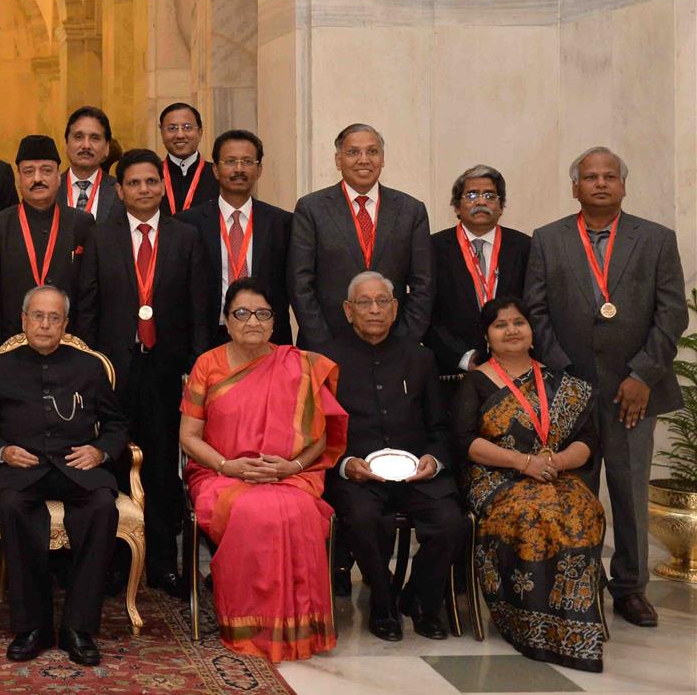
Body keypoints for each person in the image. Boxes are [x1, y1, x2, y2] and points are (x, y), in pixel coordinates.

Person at [523, 147, 686, 628]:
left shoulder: (656, 239)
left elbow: (672, 312)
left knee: (629, 490)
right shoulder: (548, 239)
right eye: (589, 177)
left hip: (634, 391)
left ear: (622, 185)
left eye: (609, 176)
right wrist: (564, 377)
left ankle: (630, 589)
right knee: (575, 491)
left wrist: (642, 375)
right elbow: (537, 312)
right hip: (570, 389)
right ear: (575, 187)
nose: (599, 184)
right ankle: (580, 582)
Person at [179, 277, 347, 661]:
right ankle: (251, 624)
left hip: (288, 473)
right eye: (241, 313)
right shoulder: (208, 364)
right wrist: (228, 464)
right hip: (220, 473)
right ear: (226, 319)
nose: (252, 321)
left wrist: (292, 465)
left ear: (275, 321)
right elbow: (189, 436)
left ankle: (300, 626)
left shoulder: (299, 365)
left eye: (262, 313)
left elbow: (320, 436)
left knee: (299, 510)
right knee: (254, 511)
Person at [0, 286, 129, 666]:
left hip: (78, 470)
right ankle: (32, 627)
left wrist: (101, 450)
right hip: (24, 472)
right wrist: (2, 451)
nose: (45, 324)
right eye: (38, 316)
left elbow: (117, 424)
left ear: (66, 324)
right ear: (23, 320)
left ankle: (78, 628)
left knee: (103, 507)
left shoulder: (89, 367)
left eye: (54, 318)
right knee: (13, 509)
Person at [75, 148, 212, 596]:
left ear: (161, 186)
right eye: (134, 183)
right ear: (120, 190)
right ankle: (113, 562)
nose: (144, 189)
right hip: (114, 372)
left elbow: (198, 309)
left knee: (160, 470)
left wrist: (195, 368)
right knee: (111, 465)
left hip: (168, 373)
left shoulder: (186, 236)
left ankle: (161, 562)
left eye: (152, 181)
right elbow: (88, 306)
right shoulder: (100, 236)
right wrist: (91, 369)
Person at [451, 296, 606, 671]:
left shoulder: (562, 383)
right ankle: (529, 623)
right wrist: (525, 463)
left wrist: (554, 462)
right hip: (495, 477)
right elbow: (465, 441)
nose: (511, 330)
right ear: (487, 336)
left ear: (532, 332)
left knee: (583, 510)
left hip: (554, 472)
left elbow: (587, 440)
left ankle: (577, 622)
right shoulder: (475, 382)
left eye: (518, 322)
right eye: (500, 325)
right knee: (533, 513)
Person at [317, 271, 464, 642]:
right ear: (348, 311)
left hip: (416, 473)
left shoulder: (420, 358)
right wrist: (346, 463)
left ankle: (419, 597)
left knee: (451, 521)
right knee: (364, 518)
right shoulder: (324, 360)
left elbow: (440, 426)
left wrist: (434, 459)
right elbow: (315, 429)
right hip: (356, 475)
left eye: (383, 302)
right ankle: (382, 605)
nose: (375, 310)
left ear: (395, 308)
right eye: (364, 303)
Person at [288, 123, 434, 349]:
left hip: (394, 346)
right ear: (338, 161)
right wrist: (323, 343)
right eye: (353, 152)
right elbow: (300, 283)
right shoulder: (311, 209)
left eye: (372, 152)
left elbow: (424, 285)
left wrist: (403, 342)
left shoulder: (411, 210)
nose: (364, 159)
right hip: (328, 347)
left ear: (382, 159)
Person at [0, 134, 95, 352]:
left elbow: (89, 295)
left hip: (69, 346)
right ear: (19, 178)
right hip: (11, 348)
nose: (37, 178)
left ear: (59, 177)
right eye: (29, 172)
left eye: (46, 170)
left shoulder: (82, 223)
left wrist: (83, 350)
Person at [179, 129, 293, 347]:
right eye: (230, 161)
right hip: (209, 339)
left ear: (259, 169)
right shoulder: (188, 224)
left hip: (267, 338)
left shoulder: (282, 223)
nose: (239, 169)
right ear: (215, 169)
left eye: (247, 161)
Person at [426, 165, 530, 378]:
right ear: (456, 207)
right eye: (471, 195)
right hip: (452, 371)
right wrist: (464, 358)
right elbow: (424, 310)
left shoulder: (525, 247)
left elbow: (535, 305)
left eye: (490, 195)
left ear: (501, 206)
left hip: (516, 369)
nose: (481, 202)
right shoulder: (431, 248)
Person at [61, 106, 122, 224]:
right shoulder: (50, 190)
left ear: (107, 147)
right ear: (67, 144)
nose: (86, 145)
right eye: (78, 137)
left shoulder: (121, 192)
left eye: (95, 138)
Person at [157, 102, 218, 215]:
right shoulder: (152, 175)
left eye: (187, 127)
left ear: (200, 132)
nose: (180, 135)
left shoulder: (217, 175)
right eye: (172, 128)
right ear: (162, 133)